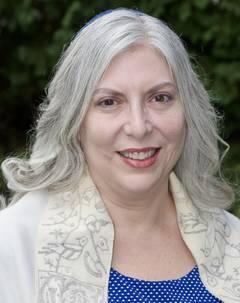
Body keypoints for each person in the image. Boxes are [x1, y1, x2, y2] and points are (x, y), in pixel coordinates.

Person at [0, 8, 239, 303]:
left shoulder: (233, 241)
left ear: (188, 111)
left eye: (160, 98)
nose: (138, 127)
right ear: (75, 121)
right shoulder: (14, 243)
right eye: (109, 102)